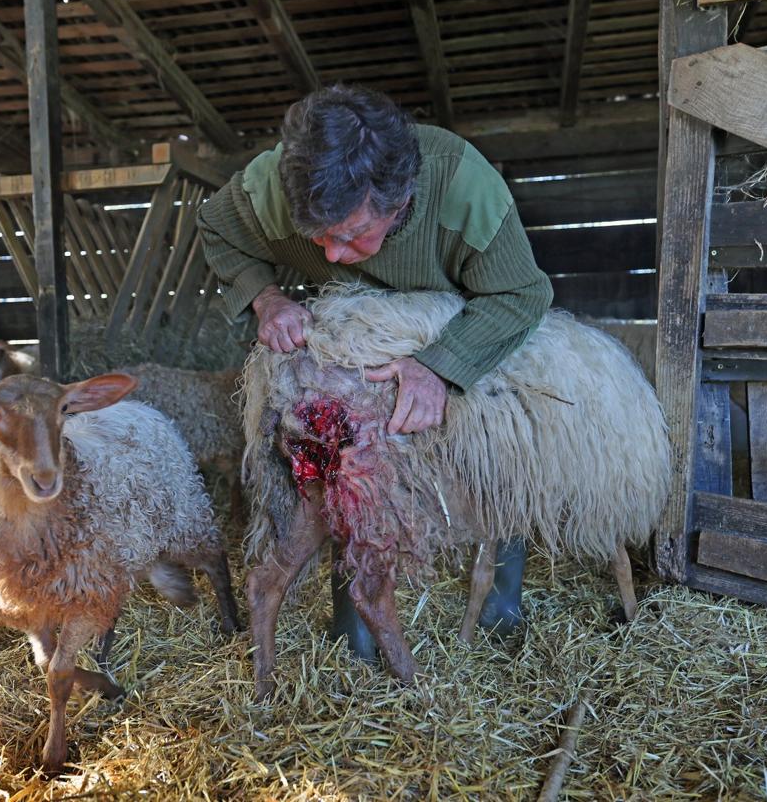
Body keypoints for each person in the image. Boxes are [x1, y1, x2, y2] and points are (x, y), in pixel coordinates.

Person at [198, 85, 552, 655]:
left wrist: (441, 367)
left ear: (399, 197)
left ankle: (498, 610)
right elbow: (216, 227)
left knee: (495, 449)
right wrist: (268, 299)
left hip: (454, 330)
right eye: (319, 237)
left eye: (350, 235)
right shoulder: (270, 186)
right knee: (350, 466)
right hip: (358, 344)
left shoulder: (465, 187)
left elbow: (521, 293)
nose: (332, 255)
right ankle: (355, 627)